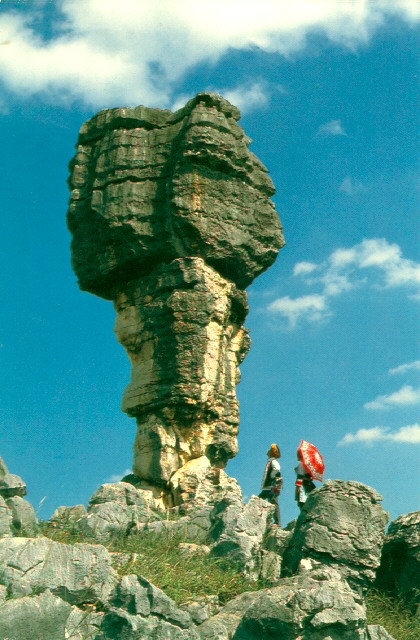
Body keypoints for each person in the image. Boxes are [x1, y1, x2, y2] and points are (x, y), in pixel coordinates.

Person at [258, 443, 283, 526]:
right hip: (269, 486)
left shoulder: (273, 461)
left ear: (272, 452)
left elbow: (277, 469)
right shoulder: (270, 461)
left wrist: (272, 476)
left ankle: (277, 522)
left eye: (269, 450)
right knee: (264, 499)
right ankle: (272, 520)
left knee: (272, 501)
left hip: (272, 485)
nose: (267, 451)